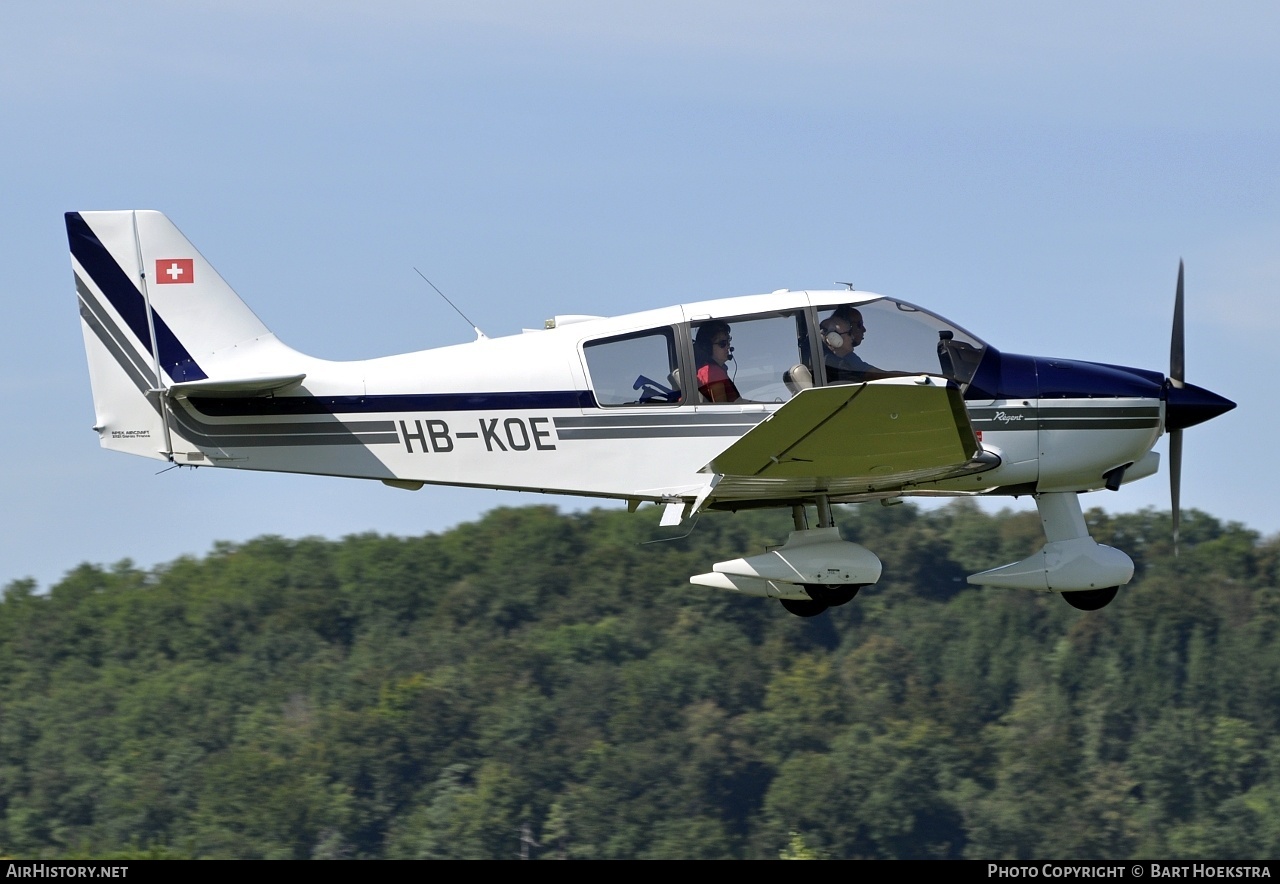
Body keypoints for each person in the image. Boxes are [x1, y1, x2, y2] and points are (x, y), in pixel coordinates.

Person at [820, 306, 880, 383]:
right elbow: (874, 375)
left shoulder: (835, 360)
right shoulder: (840, 365)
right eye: (859, 324)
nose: (864, 329)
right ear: (835, 338)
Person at [693, 320, 741, 402]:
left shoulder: (707, 370)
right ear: (707, 347)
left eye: (728, 342)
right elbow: (722, 407)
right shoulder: (712, 372)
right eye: (722, 343)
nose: (728, 347)